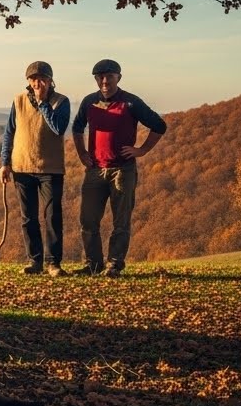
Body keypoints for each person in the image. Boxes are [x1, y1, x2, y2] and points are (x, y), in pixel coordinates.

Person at [70, 59, 168, 276]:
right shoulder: (89, 102)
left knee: (120, 222)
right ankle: (93, 265)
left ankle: (114, 265)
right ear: (96, 79)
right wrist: (82, 154)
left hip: (123, 170)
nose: (105, 81)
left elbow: (159, 126)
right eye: (100, 77)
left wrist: (141, 150)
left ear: (118, 78)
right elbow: (77, 128)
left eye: (109, 76)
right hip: (94, 170)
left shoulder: (131, 102)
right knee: (88, 220)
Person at [0, 61, 70, 276]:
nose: (38, 83)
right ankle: (35, 261)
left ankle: (53, 263)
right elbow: (9, 132)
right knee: (28, 218)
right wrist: (4, 164)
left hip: (51, 168)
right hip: (22, 166)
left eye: (42, 79)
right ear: (28, 81)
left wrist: (42, 103)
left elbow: (58, 128)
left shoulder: (61, 101)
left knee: (52, 216)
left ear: (50, 80)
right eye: (33, 79)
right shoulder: (18, 100)